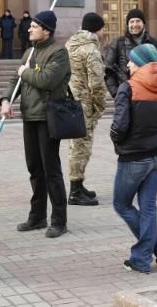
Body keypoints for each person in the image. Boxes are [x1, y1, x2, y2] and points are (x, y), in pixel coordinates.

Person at [0, 11, 71, 238]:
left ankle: (59, 220)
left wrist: (26, 71)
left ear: (46, 30)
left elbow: (47, 80)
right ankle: (37, 216)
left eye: (33, 26)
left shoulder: (58, 53)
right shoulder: (29, 52)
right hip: (29, 116)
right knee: (34, 169)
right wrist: (5, 100)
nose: (29, 30)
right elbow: (16, 79)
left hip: (48, 117)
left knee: (51, 170)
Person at [111, 43, 157, 273]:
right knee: (148, 207)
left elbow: (119, 126)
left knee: (121, 204)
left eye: (131, 60)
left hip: (133, 158)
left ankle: (142, 257)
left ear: (140, 63)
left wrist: (117, 141)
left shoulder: (127, 88)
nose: (128, 64)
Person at [104, 8, 157, 194]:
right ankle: (135, 176)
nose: (134, 25)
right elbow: (108, 71)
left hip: (152, 96)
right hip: (128, 96)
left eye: (137, 21)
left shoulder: (154, 42)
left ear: (144, 23)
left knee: (155, 134)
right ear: (127, 25)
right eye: (131, 22)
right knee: (130, 133)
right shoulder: (118, 43)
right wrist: (117, 93)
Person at [65, 12, 107, 206]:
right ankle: (75, 191)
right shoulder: (91, 50)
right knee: (82, 147)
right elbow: (97, 84)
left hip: (71, 101)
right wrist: (99, 106)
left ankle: (78, 185)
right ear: (98, 28)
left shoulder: (69, 45)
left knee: (76, 146)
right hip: (84, 105)